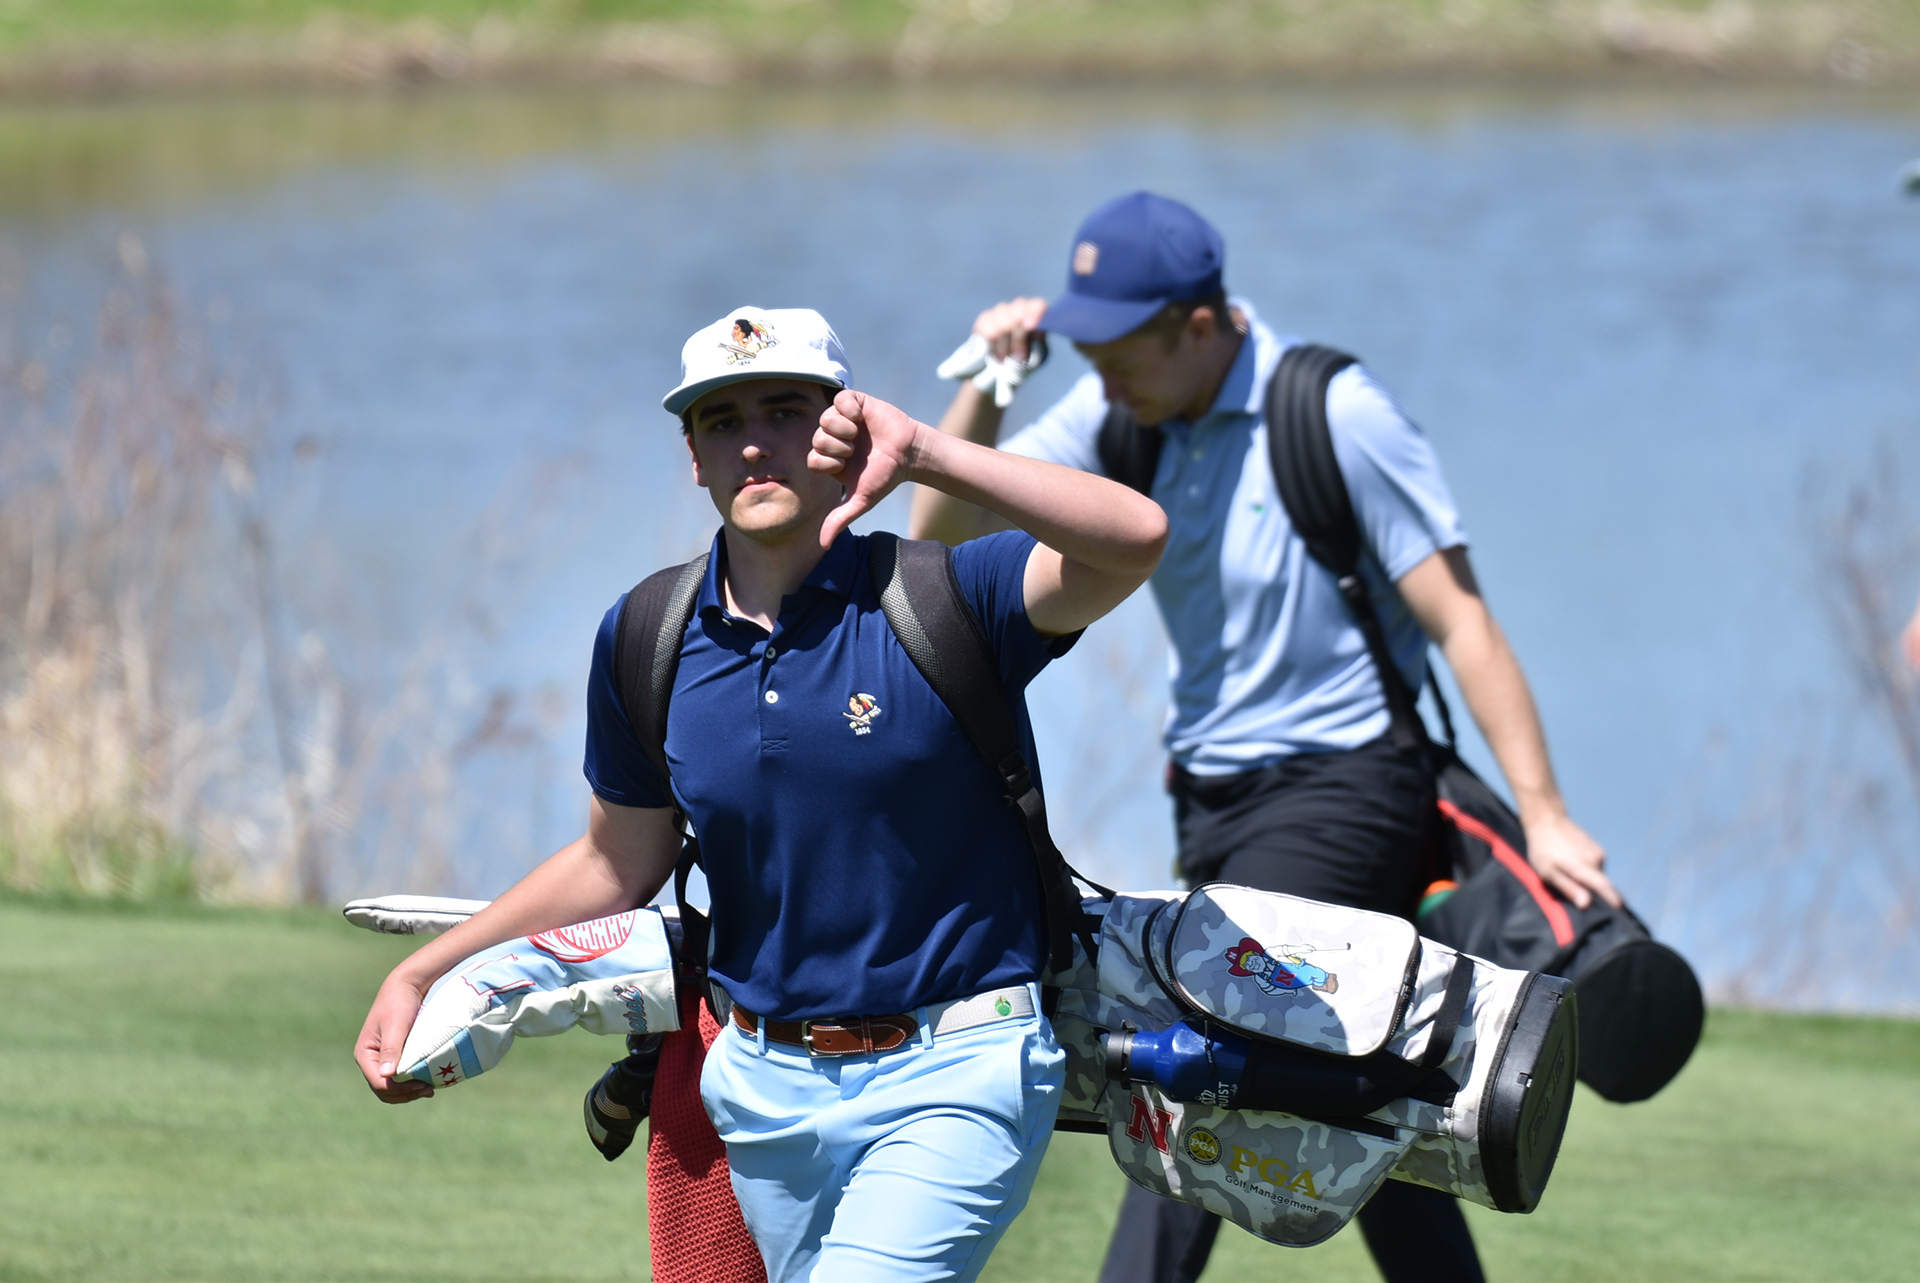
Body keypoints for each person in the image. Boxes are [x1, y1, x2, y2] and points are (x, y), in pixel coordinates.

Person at [353, 305, 1166, 1283]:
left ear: (843, 427)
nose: (753, 442)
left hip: (956, 1071)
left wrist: (926, 453)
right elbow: (616, 860)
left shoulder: (946, 596)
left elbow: (1135, 538)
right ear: (694, 456)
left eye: (786, 411)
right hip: (764, 1091)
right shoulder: (647, 635)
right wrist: (425, 971)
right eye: (721, 419)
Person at [910, 192, 1618, 1283]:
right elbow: (940, 533)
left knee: (1205, 1063)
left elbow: (1460, 617)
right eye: (1089, 356)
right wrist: (990, 389)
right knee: (1360, 1081)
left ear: (1199, 326)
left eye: (1120, 355)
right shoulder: (1124, 415)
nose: (1103, 379)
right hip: (1217, 801)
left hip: (1351, 786)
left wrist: (1545, 810)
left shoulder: (1334, 413)